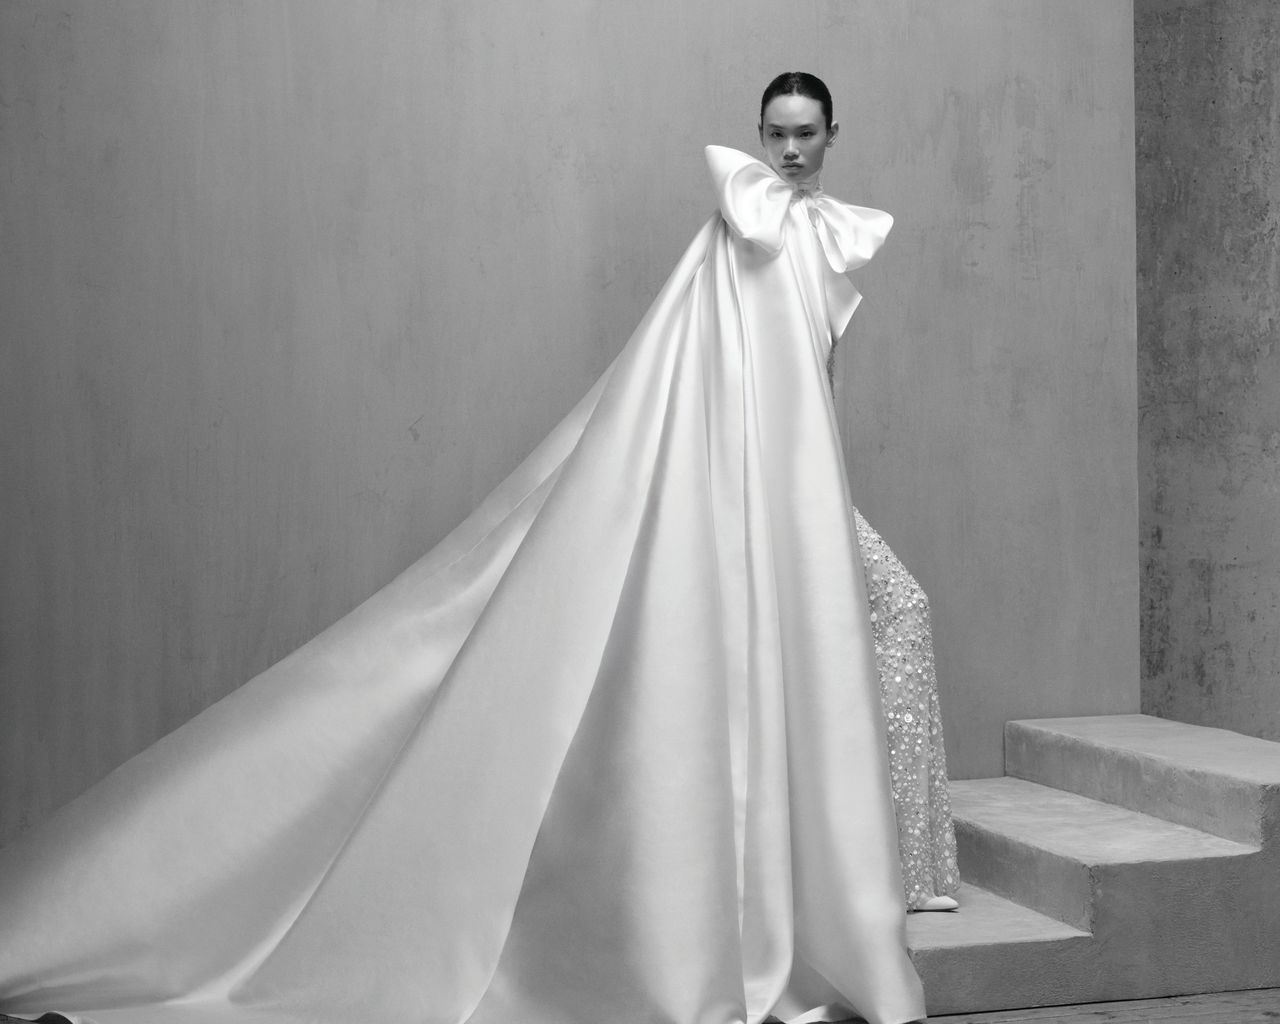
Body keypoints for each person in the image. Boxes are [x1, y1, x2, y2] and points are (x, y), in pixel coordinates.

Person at [0, 73, 928, 1024]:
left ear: (833, 134)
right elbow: (708, 379)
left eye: (804, 134)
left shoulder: (815, 237)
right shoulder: (739, 239)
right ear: (758, 134)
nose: (788, 152)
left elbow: (813, 382)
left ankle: (809, 898)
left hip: (790, 494)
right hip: (724, 491)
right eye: (774, 133)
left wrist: (821, 496)